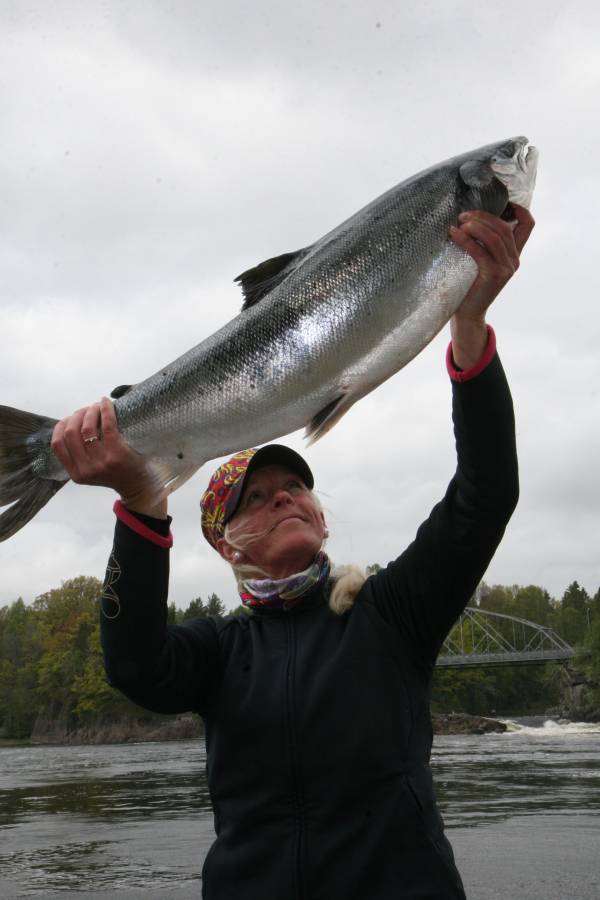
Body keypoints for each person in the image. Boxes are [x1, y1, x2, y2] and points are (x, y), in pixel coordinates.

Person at [51, 205, 535, 900]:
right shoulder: (219, 653)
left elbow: (486, 493)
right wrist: (140, 502)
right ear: (223, 544)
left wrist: (468, 322)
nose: (284, 498)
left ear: (320, 519)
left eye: (295, 488)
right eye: (257, 497)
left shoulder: (392, 615)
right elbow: (135, 668)